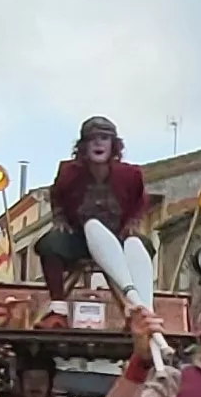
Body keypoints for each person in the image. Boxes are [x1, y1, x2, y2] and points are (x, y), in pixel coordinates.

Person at [38, 116, 149, 308]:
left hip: (117, 239)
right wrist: (60, 218)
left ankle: (138, 306)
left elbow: (140, 201)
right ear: (83, 147)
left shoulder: (131, 175)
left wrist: (132, 222)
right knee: (49, 244)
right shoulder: (68, 172)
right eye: (92, 138)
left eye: (104, 137)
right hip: (79, 239)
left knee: (144, 246)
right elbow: (56, 194)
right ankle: (58, 306)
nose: (98, 142)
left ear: (113, 145)